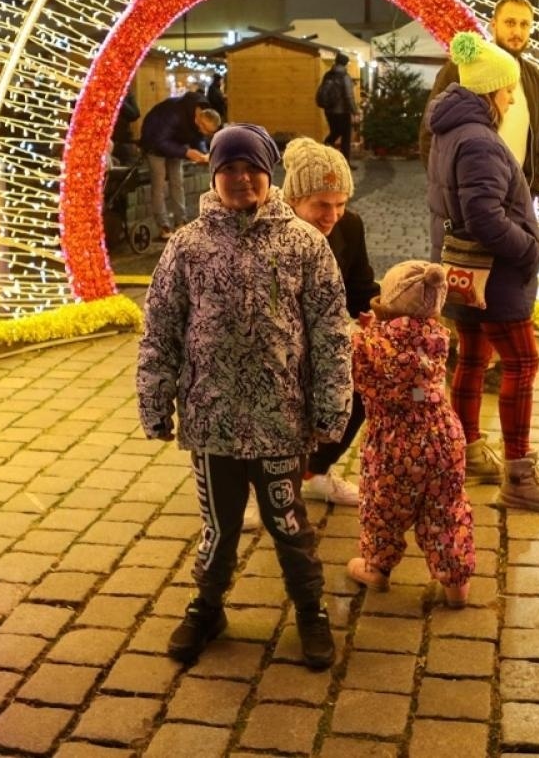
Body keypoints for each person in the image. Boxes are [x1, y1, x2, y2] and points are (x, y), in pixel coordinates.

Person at [137, 124, 351, 670]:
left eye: (251, 168)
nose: (240, 179)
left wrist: (332, 405)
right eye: (228, 168)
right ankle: (208, 606)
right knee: (220, 524)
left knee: (287, 520)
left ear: (268, 173)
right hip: (212, 420)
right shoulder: (187, 247)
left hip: (281, 419)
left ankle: (310, 610)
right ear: (214, 175)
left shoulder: (304, 243)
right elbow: (161, 327)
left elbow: (329, 329)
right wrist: (155, 400)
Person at [426, 32, 539, 512]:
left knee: (471, 359)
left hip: (465, 271)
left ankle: (466, 449)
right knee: (522, 364)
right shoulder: (480, 142)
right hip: (499, 275)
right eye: (508, 89)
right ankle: (519, 472)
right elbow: (485, 215)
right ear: (490, 91)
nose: (513, 97)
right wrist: (528, 249)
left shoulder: (450, 132)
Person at [346, 260, 476, 607]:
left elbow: (358, 374)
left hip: (394, 442)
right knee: (447, 508)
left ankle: (377, 568)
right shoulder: (439, 337)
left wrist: (359, 335)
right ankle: (456, 585)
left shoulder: (368, 342)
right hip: (444, 435)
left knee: (383, 506)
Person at [281, 137, 378, 506]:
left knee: (370, 376)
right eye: (321, 205)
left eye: (340, 204)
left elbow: (361, 288)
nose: (332, 215)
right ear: (293, 201)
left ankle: (316, 470)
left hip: (330, 342)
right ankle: (261, 483)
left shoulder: (349, 227)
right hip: (280, 347)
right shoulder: (271, 230)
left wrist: (381, 312)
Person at [420, 0, 539, 198]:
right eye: (510, 23)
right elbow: (431, 131)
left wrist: (533, 188)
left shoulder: (533, 77)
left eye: (524, 24)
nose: (517, 32)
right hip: (470, 195)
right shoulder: (464, 67)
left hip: (517, 197)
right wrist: (450, 191)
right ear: (493, 24)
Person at [139, 92, 221, 240]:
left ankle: (181, 222)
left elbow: (199, 138)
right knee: (159, 184)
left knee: (177, 183)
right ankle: (163, 226)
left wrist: (203, 154)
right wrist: (186, 152)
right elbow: (160, 141)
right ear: (199, 122)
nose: (207, 135)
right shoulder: (175, 115)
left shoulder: (201, 116)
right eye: (206, 131)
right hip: (154, 142)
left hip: (175, 142)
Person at [315, 53, 358, 163]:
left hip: (329, 110)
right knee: (345, 137)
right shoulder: (345, 76)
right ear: (346, 63)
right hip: (342, 111)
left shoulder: (328, 74)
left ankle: (325, 151)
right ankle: (345, 163)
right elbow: (349, 96)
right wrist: (355, 111)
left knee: (334, 132)